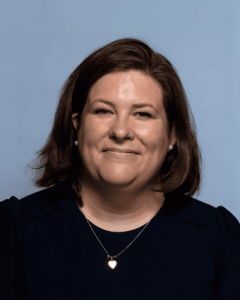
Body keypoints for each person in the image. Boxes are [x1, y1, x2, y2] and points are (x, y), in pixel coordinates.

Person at [0, 38, 239, 300]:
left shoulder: (219, 239)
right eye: (103, 111)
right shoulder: (14, 229)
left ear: (172, 134)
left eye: (143, 114)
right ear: (77, 126)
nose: (121, 131)